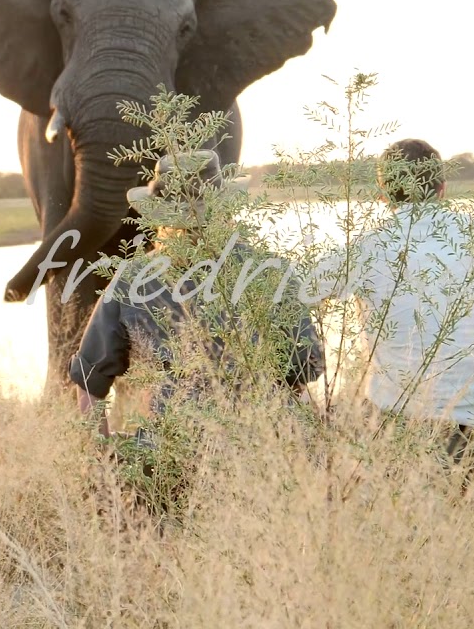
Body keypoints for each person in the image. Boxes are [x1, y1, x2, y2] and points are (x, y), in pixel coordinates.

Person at [313, 138, 474, 491]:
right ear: (442, 190)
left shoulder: (370, 246)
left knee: (404, 511)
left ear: (383, 194)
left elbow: (303, 292)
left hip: (407, 414)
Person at [69, 149, 326, 438]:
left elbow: (89, 381)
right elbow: (305, 368)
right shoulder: (273, 271)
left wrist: (104, 458)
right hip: (268, 446)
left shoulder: (132, 279)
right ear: (223, 209)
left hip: (170, 450)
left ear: (159, 215)